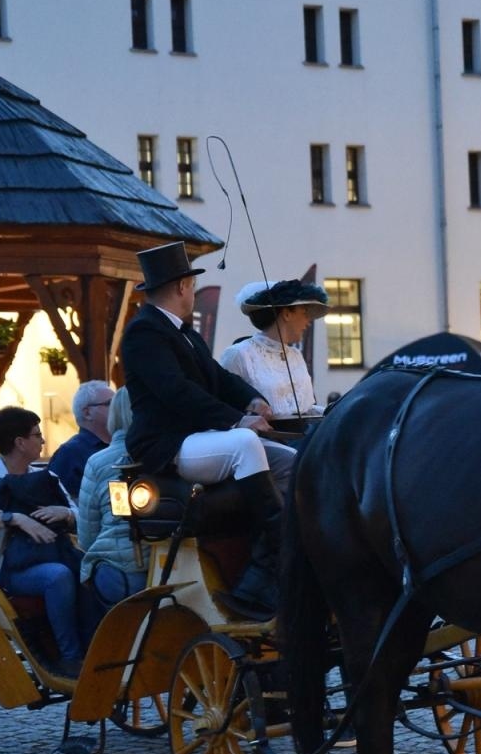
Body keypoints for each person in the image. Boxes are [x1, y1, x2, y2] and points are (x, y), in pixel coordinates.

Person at [120, 241, 295, 622]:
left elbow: (218, 378)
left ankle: (264, 570)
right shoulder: (144, 333)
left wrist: (253, 400)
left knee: (291, 461)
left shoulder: (183, 333)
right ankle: (281, 555)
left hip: (200, 439)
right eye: (192, 286)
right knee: (247, 443)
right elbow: (176, 392)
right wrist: (238, 421)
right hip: (169, 446)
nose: (193, 293)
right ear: (182, 285)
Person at [0, 406, 91, 674]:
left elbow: (78, 512)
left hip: (54, 551)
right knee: (58, 576)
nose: (42, 440)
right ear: (20, 443)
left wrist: (64, 512)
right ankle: (70, 657)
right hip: (10, 566)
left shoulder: (46, 476)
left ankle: (96, 644)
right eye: (37, 435)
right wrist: (13, 518)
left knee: (95, 569)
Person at [77, 386, 147, 608]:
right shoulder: (171, 453)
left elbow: (87, 536)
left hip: (121, 572)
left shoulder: (98, 462)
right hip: (172, 565)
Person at [220, 279, 328, 418]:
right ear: (287, 314)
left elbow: (304, 410)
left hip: (303, 437)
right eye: (304, 312)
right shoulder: (238, 354)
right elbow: (225, 407)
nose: (308, 322)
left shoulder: (296, 355)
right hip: (262, 438)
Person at [47, 380, 113, 497]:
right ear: (87, 413)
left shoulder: (120, 445)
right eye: (110, 403)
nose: (117, 408)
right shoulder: (69, 453)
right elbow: (61, 502)